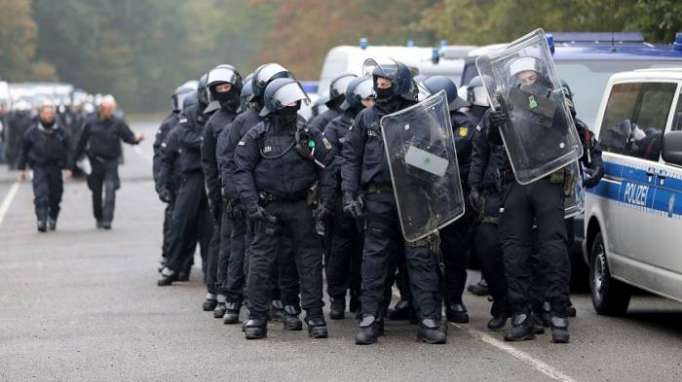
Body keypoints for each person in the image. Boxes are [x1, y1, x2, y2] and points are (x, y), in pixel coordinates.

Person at [342, 59, 446, 345]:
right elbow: (351, 159)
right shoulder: (366, 118)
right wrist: (349, 194)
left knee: (421, 259)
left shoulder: (421, 117)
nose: (380, 88)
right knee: (375, 261)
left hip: (414, 198)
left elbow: (438, 163)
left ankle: (428, 319)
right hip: (378, 198)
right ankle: (370, 319)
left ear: (399, 85)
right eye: (377, 83)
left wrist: (409, 157)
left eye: (385, 83)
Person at [233, 78, 332, 340]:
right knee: (261, 262)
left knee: (310, 263)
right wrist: (252, 204)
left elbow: (329, 165)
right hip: (268, 208)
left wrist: (326, 203)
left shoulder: (307, 133)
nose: (293, 104)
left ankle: (315, 317)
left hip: (302, 206)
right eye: (287, 100)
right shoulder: (257, 134)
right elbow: (241, 170)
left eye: (295, 100)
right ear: (274, 103)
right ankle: (256, 317)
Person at [486, 56, 572, 343]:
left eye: (530, 71)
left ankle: (558, 312)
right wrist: (492, 122)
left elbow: (561, 121)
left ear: (539, 73)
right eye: (520, 72)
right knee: (513, 249)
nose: (525, 76)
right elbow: (493, 142)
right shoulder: (505, 101)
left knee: (552, 247)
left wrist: (522, 100)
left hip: (547, 178)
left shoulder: (552, 97)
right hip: (517, 178)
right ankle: (521, 315)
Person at [418, 75, 478, 324]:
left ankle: (453, 300)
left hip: (455, 197)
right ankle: (420, 303)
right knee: (422, 254)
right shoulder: (417, 122)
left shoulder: (464, 125)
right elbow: (411, 155)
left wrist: (423, 160)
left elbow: (447, 160)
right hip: (424, 196)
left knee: (454, 253)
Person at [318, 75, 373, 319]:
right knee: (339, 250)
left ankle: (362, 299)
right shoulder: (334, 126)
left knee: (365, 251)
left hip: (370, 196)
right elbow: (330, 160)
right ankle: (337, 297)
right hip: (342, 196)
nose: (373, 102)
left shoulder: (378, 122)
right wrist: (357, 169)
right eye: (368, 98)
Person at [157, 74, 213, 287]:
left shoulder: (218, 114)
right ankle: (172, 265)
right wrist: (162, 184)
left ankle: (211, 273)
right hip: (190, 178)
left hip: (210, 177)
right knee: (180, 222)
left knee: (210, 228)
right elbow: (180, 142)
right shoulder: (186, 117)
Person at [201, 65, 242, 316]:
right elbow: (208, 163)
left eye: (226, 87)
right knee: (223, 241)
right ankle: (217, 291)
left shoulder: (250, 115)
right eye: (219, 89)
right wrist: (214, 194)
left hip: (253, 188)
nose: (223, 93)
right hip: (225, 190)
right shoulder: (213, 123)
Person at [73, 95, 143, 229]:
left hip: (111, 162)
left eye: (113, 109)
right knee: (96, 192)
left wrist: (137, 139)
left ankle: (107, 219)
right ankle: (98, 217)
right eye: (108, 109)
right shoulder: (90, 122)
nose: (110, 111)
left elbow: (128, 137)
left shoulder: (118, 122)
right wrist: (73, 163)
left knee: (111, 189)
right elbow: (81, 143)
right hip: (95, 161)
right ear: (102, 108)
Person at [153, 82, 197, 272]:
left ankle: (188, 263)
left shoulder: (202, 122)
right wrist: (161, 184)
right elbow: (161, 157)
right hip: (175, 182)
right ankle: (170, 259)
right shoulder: (169, 125)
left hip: (194, 181)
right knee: (174, 223)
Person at [18, 100, 72, 232]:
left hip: (56, 167)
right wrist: (22, 168)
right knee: (41, 194)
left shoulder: (61, 132)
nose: (48, 116)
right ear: (40, 114)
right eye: (46, 113)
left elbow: (69, 149)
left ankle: (52, 217)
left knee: (56, 195)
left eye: (51, 113)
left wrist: (69, 167)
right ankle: (41, 219)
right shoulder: (32, 132)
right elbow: (24, 150)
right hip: (39, 167)